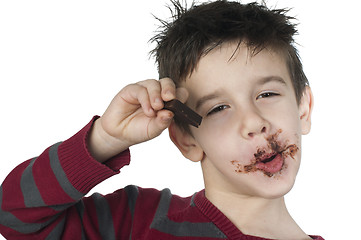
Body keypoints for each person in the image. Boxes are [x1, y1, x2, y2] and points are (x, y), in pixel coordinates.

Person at [0, 1, 324, 239]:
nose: (254, 122)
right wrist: (105, 140)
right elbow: (13, 215)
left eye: (267, 95)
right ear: (187, 140)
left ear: (304, 108)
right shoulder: (138, 221)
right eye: (217, 108)